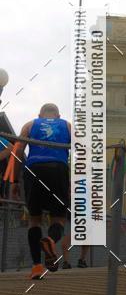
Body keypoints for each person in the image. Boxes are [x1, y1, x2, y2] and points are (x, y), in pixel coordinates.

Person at [10, 103, 71, 279]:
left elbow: (18, 150)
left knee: (34, 220)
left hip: (33, 169)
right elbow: (83, 150)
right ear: (58, 116)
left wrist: (15, 180)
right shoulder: (67, 126)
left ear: (39, 115)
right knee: (58, 218)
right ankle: (51, 240)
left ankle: (37, 267)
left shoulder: (30, 125)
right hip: (58, 169)